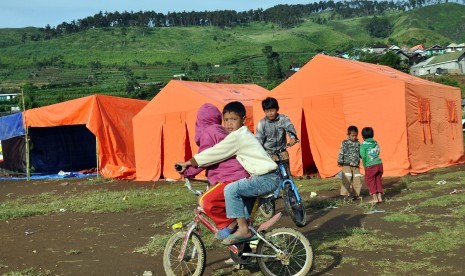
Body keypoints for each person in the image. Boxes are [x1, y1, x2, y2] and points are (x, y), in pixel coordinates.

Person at [176, 101, 279, 245]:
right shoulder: (236, 134)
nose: (229, 124)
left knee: (229, 190)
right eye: (226, 120)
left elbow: (213, 153)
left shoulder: (237, 136)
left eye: (234, 119)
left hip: (264, 178)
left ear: (243, 120)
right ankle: (241, 247)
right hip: (262, 178)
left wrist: (188, 164)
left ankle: (243, 230)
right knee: (242, 212)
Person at [182, 103, 249, 240]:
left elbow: (204, 157)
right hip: (240, 175)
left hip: (229, 177)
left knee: (205, 201)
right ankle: (241, 252)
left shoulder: (209, 132)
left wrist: (187, 172)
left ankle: (228, 225)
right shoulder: (222, 131)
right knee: (231, 210)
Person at [255, 97, 298, 167]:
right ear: (264, 111)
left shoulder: (283, 118)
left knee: (286, 175)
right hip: (268, 154)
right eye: (267, 111)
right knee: (271, 176)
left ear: (277, 109)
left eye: (272, 110)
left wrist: (293, 137)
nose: (270, 113)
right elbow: (259, 139)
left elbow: (289, 127)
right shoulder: (261, 123)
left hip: (282, 152)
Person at [337, 125, 362, 200]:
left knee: (357, 180)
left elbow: (360, 153)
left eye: (356, 135)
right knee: (346, 180)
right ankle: (344, 195)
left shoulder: (358, 143)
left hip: (356, 166)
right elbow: (341, 152)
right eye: (352, 135)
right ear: (348, 134)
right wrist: (340, 161)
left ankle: (356, 195)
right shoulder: (344, 143)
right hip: (347, 165)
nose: (354, 137)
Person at [360, 127, 383, 204]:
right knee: (378, 180)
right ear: (373, 135)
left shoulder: (363, 145)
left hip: (370, 165)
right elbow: (378, 151)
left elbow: (363, 156)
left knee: (370, 181)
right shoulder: (376, 143)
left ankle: (374, 198)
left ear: (363, 137)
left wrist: (365, 165)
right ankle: (379, 197)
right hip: (379, 164)